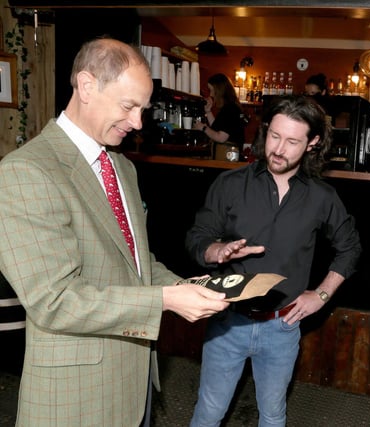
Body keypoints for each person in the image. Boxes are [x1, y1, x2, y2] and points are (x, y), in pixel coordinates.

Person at [0, 37, 230, 427]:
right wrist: (165, 300)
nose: (138, 122)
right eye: (129, 106)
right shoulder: (26, 171)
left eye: (143, 108)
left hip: (134, 383)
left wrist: (188, 286)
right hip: (76, 396)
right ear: (87, 86)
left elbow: (135, 262)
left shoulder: (123, 168)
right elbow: (54, 300)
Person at [185, 95, 362, 427]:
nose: (279, 148)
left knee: (273, 414)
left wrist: (321, 294)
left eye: (292, 141)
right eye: (274, 136)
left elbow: (350, 249)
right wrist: (217, 251)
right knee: (209, 411)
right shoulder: (230, 184)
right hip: (227, 322)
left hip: (282, 327)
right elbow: (197, 237)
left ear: (313, 143)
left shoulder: (322, 197)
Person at [193, 73, 247, 148]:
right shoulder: (230, 107)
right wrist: (208, 111)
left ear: (218, 91)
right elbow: (217, 129)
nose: (211, 95)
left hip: (227, 156)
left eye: (211, 90)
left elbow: (221, 138)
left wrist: (203, 128)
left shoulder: (230, 109)